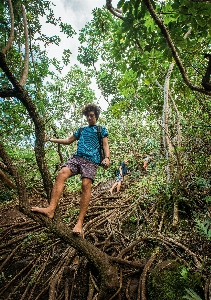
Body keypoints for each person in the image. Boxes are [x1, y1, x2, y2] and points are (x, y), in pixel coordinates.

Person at [31, 104, 110, 235]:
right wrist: (50, 139)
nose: (89, 118)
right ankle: (51, 209)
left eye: (92, 116)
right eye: (87, 116)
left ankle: (79, 223)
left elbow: (105, 145)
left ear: (96, 116)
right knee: (62, 173)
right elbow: (68, 140)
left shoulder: (101, 130)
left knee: (86, 184)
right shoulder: (81, 130)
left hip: (91, 161)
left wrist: (107, 158)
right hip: (77, 158)